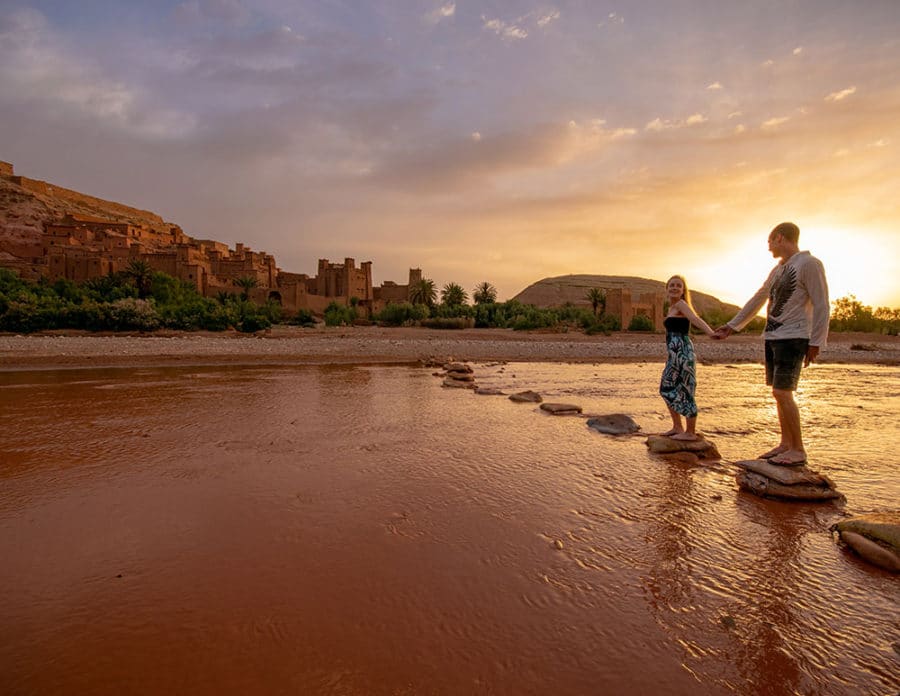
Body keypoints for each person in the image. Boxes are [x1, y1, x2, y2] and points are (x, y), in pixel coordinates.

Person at [713, 222, 829, 465]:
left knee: (782, 392)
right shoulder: (778, 270)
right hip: (773, 336)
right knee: (778, 395)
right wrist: (732, 326)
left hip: (794, 336)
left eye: (769, 242)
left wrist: (816, 341)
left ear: (779, 238)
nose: (768, 248)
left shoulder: (809, 264)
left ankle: (798, 450)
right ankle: (786, 443)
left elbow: (822, 303)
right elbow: (759, 297)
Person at [659, 275, 716, 440]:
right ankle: (677, 427)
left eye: (678, 285)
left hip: (683, 352)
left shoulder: (682, 305)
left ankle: (690, 432)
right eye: (672, 285)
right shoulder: (671, 308)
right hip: (674, 354)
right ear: (667, 288)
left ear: (683, 290)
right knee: (666, 388)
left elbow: (695, 319)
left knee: (685, 389)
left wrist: (710, 333)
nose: (675, 288)